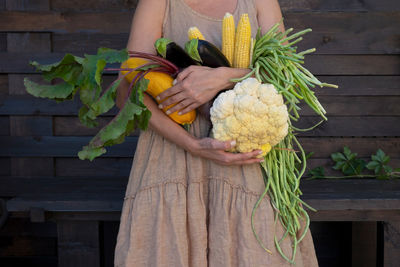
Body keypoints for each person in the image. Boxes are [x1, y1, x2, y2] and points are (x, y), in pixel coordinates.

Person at [114, 0, 319, 266]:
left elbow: (288, 76)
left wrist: (224, 77)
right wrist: (192, 144)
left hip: (247, 166)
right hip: (173, 160)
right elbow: (124, 93)